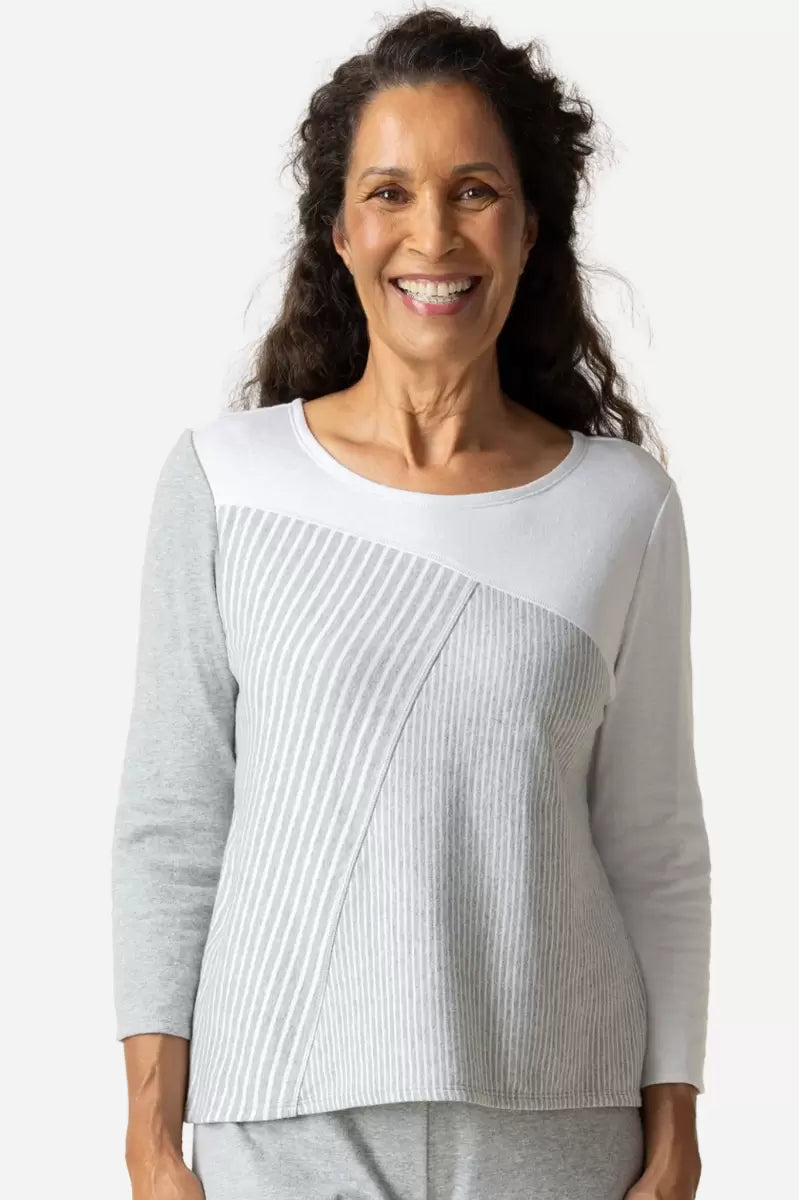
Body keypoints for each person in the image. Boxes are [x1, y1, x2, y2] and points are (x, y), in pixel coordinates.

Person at [111, 8, 711, 1199]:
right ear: (340, 231)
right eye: (389, 192)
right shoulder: (227, 482)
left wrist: (676, 1127)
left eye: (473, 191)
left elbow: (653, 843)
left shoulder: (621, 507)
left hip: (555, 1121)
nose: (431, 234)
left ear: (528, 227)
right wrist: (150, 1139)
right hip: (281, 1122)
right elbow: (172, 822)